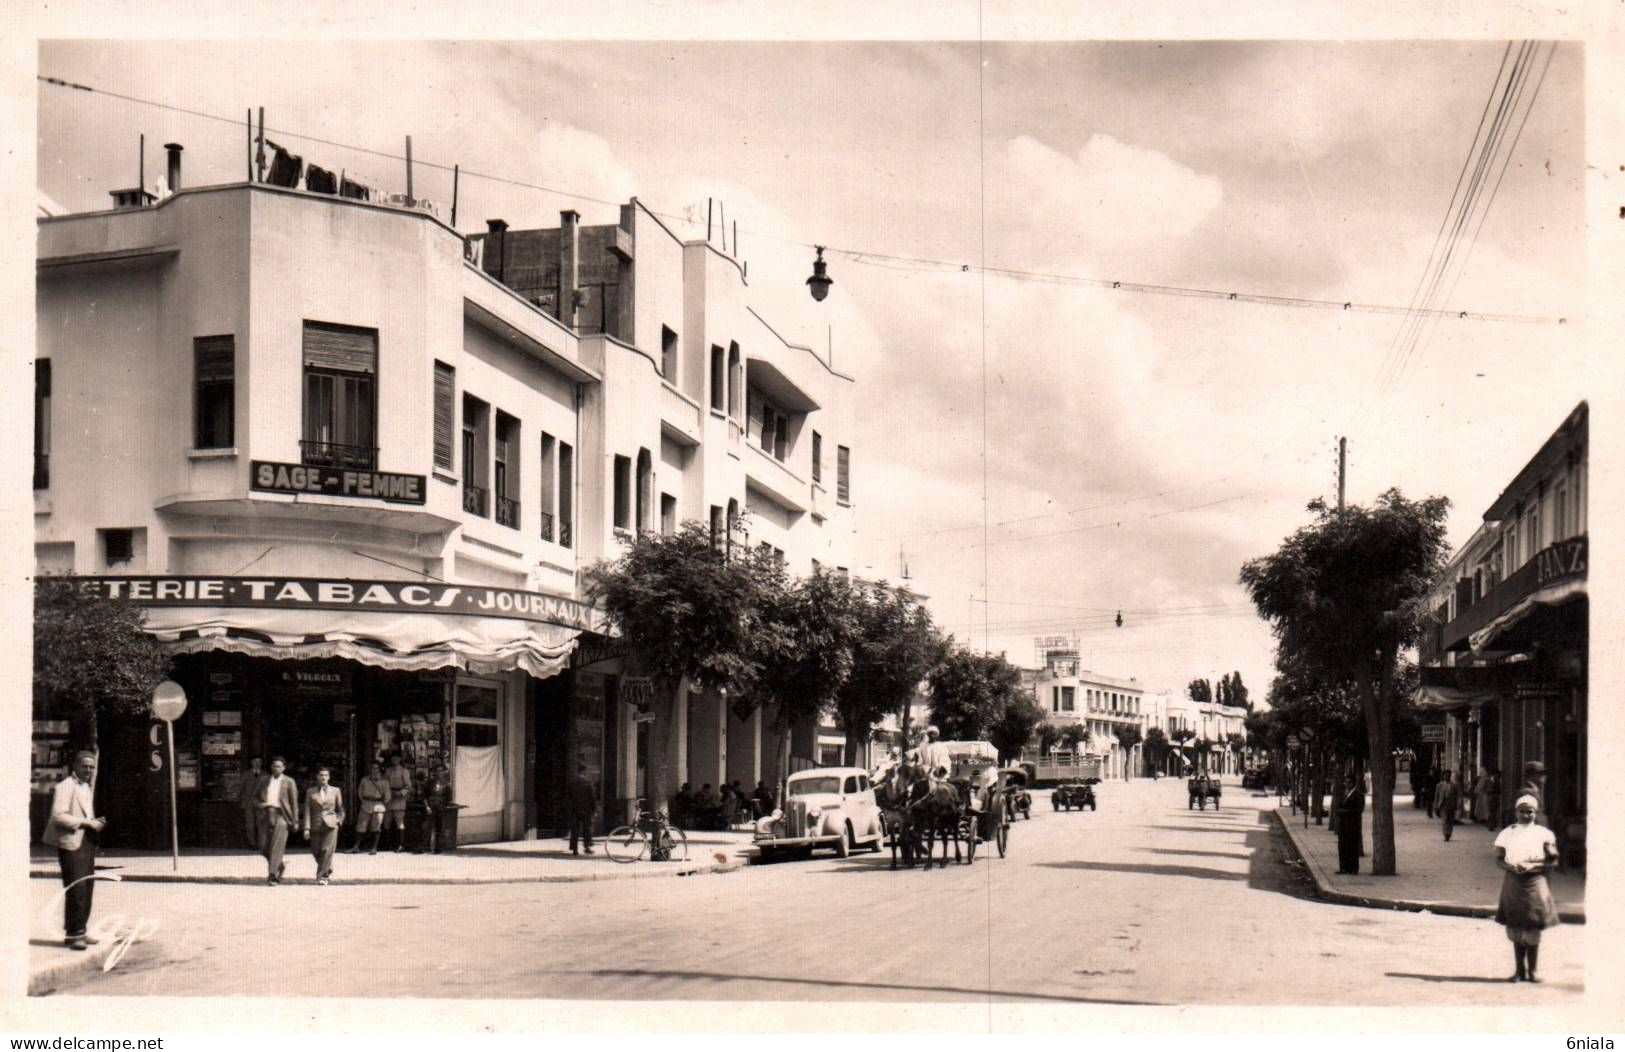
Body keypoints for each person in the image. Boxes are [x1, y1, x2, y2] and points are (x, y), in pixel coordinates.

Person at [1493, 794, 1561, 982]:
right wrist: (1511, 866)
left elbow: (1553, 859)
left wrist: (1533, 866)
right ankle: (1519, 971)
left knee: (1532, 924)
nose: (1525, 815)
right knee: (1515, 925)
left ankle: (1533, 971)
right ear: (1516, 812)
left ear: (1535, 813)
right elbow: (1499, 859)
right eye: (1522, 811)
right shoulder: (1507, 833)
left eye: (1529, 811)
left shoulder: (1544, 834)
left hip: (1535, 882)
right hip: (1514, 883)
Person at [49, 751, 106, 950]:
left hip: (86, 842)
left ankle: (81, 929)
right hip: (72, 843)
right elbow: (59, 816)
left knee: (87, 886)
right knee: (77, 889)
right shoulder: (65, 786)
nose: (88, 770)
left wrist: (93, 823)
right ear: (75, 766)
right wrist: (87, 823)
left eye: (91, 767)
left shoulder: (85, 787)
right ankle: (73, 934)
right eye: (85, 766)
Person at [256, 756, 300, 885]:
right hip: (266, 814)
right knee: (263, 847)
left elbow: (294, 803)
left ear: (284, 768)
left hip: (282, 815)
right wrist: (260, 804)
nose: (276, 768)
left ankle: (272, 875)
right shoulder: (264, 780)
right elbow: (254, 797)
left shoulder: (289, 781)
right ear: (271, 767)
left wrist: (295, 821)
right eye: (274, 766)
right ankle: (279, 865)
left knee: (276, 846)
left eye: (279, 766)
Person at [302, 766, 345, 885]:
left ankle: (322, 877)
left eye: (326, 775)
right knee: (316, 851)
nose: (323, 778)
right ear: (317, 777)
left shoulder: (335, 790)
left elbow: (340, 809)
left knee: (326, 850)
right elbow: (307, 810)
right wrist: (306, 828)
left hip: (331, 824)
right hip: (315, 824)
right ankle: (327, 866)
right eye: (321, 775)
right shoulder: (311, 791)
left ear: (329, 777)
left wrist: (338, 821)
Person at [351, 762, 389, 854]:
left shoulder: (384, 781)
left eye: (376, 768)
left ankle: (374, 848)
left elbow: (388, 795)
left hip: (378, 805)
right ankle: (356, 846)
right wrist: (363, 801)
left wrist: (382, 803)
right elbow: (360, 791)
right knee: (361, 826)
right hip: (366, 804)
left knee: (376, 827)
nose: (374, 770)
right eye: (373, 768)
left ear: (380, 769)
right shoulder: (364, 780)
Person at [1335, 772, 1365, 874]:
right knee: (1342, 847)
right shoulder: (1343, 794)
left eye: (1348, 782)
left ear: (1353, 783)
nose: (1346, 784)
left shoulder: (1359, 795)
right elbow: (1337, 807)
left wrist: (1344, 812)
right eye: (1345, 782)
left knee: (1352, 847)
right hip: (1342, 825)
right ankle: (1343, 867)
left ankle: (1353, 869)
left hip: (1352, 826)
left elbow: (1358, 810)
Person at [383, 754, 412, 852]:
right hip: (389, 798)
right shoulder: (388, 771)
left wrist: (400, 793)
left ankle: (400, 845)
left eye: (396, 758)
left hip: (399, 799)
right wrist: (387, 793)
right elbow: (384, 783)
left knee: (399, 822)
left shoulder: (404, 771)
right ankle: (387, 844)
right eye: (393, 758)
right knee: (387, 822)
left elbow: (408, 786)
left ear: (400, 759)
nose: (394, 759)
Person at [566, 763, 597, 855]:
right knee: (587, 829)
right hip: (586, 810)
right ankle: (587, 847)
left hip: (574, 809)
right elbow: (592, 798)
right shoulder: (587, 783)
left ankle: (575, 849)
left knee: (574, 829)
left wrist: (569, 808)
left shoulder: (572, 782)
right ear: (584, 771)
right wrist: (594, 809)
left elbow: (567, 797)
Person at [237, 757, 264, 849]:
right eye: (255, 761)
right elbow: (240, 788)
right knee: (250, 824)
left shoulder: (265, 774)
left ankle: (261, 843)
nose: (257, 763)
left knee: (261, 823)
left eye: (259, 761)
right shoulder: (246, 774)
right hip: (248, 803)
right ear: (251, 762)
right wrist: (241, 801)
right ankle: (252, 843)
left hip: (261, 802)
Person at [1435, 770, 1462, 842]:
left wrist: (1458, 804)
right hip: (1443, 804)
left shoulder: (1454, 785)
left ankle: (1449, 833)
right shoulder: (1439, 785)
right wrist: (1436, 806)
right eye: (1446, 775)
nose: (1447, 777)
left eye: (1449, 775)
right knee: (1444, 820)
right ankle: (1445, 834)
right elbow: (1436, 797)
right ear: (1443, 776)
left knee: (1450, 820)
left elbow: (1458, 795)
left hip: (1451, 804)